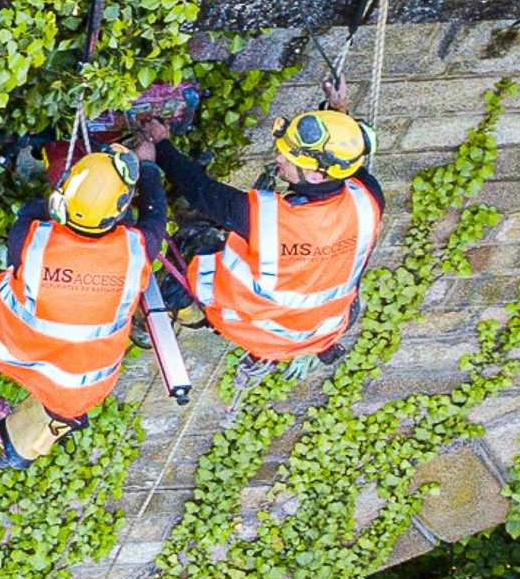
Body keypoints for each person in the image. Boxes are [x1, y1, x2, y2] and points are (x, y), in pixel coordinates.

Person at [0, 142, 167, 469]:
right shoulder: (136, 251)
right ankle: (19, 444)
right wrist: (149, 167)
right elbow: (156, 212)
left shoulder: (34, 240)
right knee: (57, 401)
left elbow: (30, 211)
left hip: (28, 350)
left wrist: (64, 203)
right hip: (81, 382)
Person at [140, 74, 382, 387]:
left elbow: (201, 191)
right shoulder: (368, 198)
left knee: (198, 235)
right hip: (323, 324)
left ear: (316, 176)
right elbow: (344, 158)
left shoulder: (270, 220)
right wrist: (337, 113)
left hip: (257, 326)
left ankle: (154, 319)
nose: (278, 157)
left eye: (289, 157)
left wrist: (160, 145)